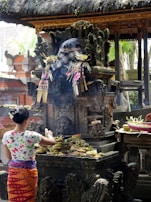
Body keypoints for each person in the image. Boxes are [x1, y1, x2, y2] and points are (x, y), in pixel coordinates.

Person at [2, 106, 56, 202]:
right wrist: (49, 135)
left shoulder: (7, 136)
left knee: (15, 198)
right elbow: (52, 142)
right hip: (28, 172)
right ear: (27, 120)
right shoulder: (32, 135)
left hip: (14, 173)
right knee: (28, 199)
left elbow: (8, 156)